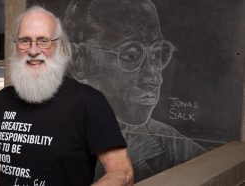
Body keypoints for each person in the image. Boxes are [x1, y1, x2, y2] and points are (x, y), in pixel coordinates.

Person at [0, 6, 133, 186]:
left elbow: (122, 173)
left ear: (59, 46)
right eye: (25, 41)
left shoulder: (89, 102)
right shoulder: (0, 101)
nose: (33, 50)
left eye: (43, 41)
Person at [63, 0, 207, 181]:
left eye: (157, 53)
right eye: (131, 55)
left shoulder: (173, 146)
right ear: (79, 59)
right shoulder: (45, 126)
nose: (155, 78)